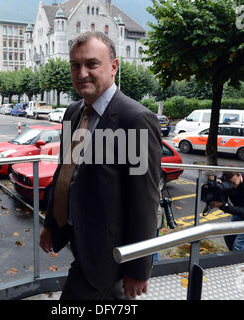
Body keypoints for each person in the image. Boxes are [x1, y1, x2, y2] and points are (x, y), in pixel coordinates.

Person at [39, 32, 162, 300]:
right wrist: (52, 222)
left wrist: (138, 268)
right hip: (78, 239)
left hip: (108, 255)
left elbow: (144, 201)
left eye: (92, 64)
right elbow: (66, 173)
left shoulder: (135, 119)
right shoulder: (73, 112)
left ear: (114, 67)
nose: (81, 73)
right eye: (75, 65)